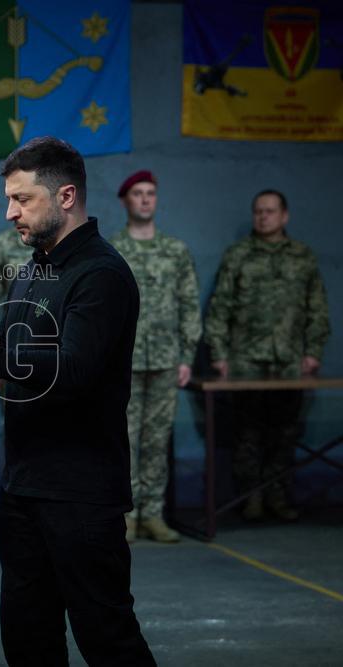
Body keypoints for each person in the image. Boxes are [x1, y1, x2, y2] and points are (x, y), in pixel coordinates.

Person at [0, 137, 156, 666]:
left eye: (22, 199)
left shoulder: (101, 274)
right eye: (9, 199)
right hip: (24, 485)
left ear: (67, 196)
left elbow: (71, 367)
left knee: (107, 637)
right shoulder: (33, 268)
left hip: (81, 492)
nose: (10, 213)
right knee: (27, 637)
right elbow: (13, 354)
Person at [204, 189, 330, 521]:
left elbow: (317, 309)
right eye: (258, 211)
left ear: (284, 216)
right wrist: (219, 354)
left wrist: (313, 352)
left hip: (289, 360)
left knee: (285, 432)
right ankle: (251, 498)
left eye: (270, 211)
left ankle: (278, 495)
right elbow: (220, 308)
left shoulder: (303, 257)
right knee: (247, 433)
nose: (263, 217)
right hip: (245, 361)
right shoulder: (239, 255)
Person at [109, 170, 201, 543]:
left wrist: (187, 354)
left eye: (150, 193)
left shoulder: (175, 250)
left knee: (157, 439)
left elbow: (189, 303)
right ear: (125, 201)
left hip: (165, 359)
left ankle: (153, 514)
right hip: (124, 361)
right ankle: (126, 515)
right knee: (123, 439)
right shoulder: (112, 249)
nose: (145, 199)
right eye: (137, 193)